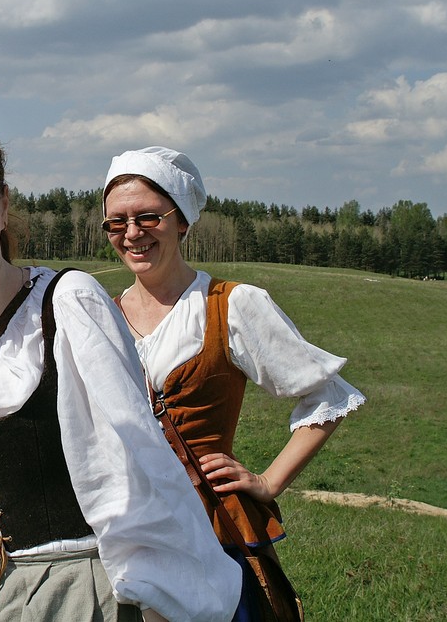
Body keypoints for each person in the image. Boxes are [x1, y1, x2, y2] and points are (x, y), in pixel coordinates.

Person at [0, 107, 242, 622]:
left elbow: (132, 478)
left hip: (66, 596)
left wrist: (166, 602)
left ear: (2, 205)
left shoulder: (65, 306)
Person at [101, 146, 367, 619]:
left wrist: (267, 481)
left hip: (210, 527)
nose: (132, 233)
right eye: (116, 222)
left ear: (182, 221)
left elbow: (327, 395)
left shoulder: (232, 305)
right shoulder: (104, 316)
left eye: (148, 217)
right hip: (124, 532)